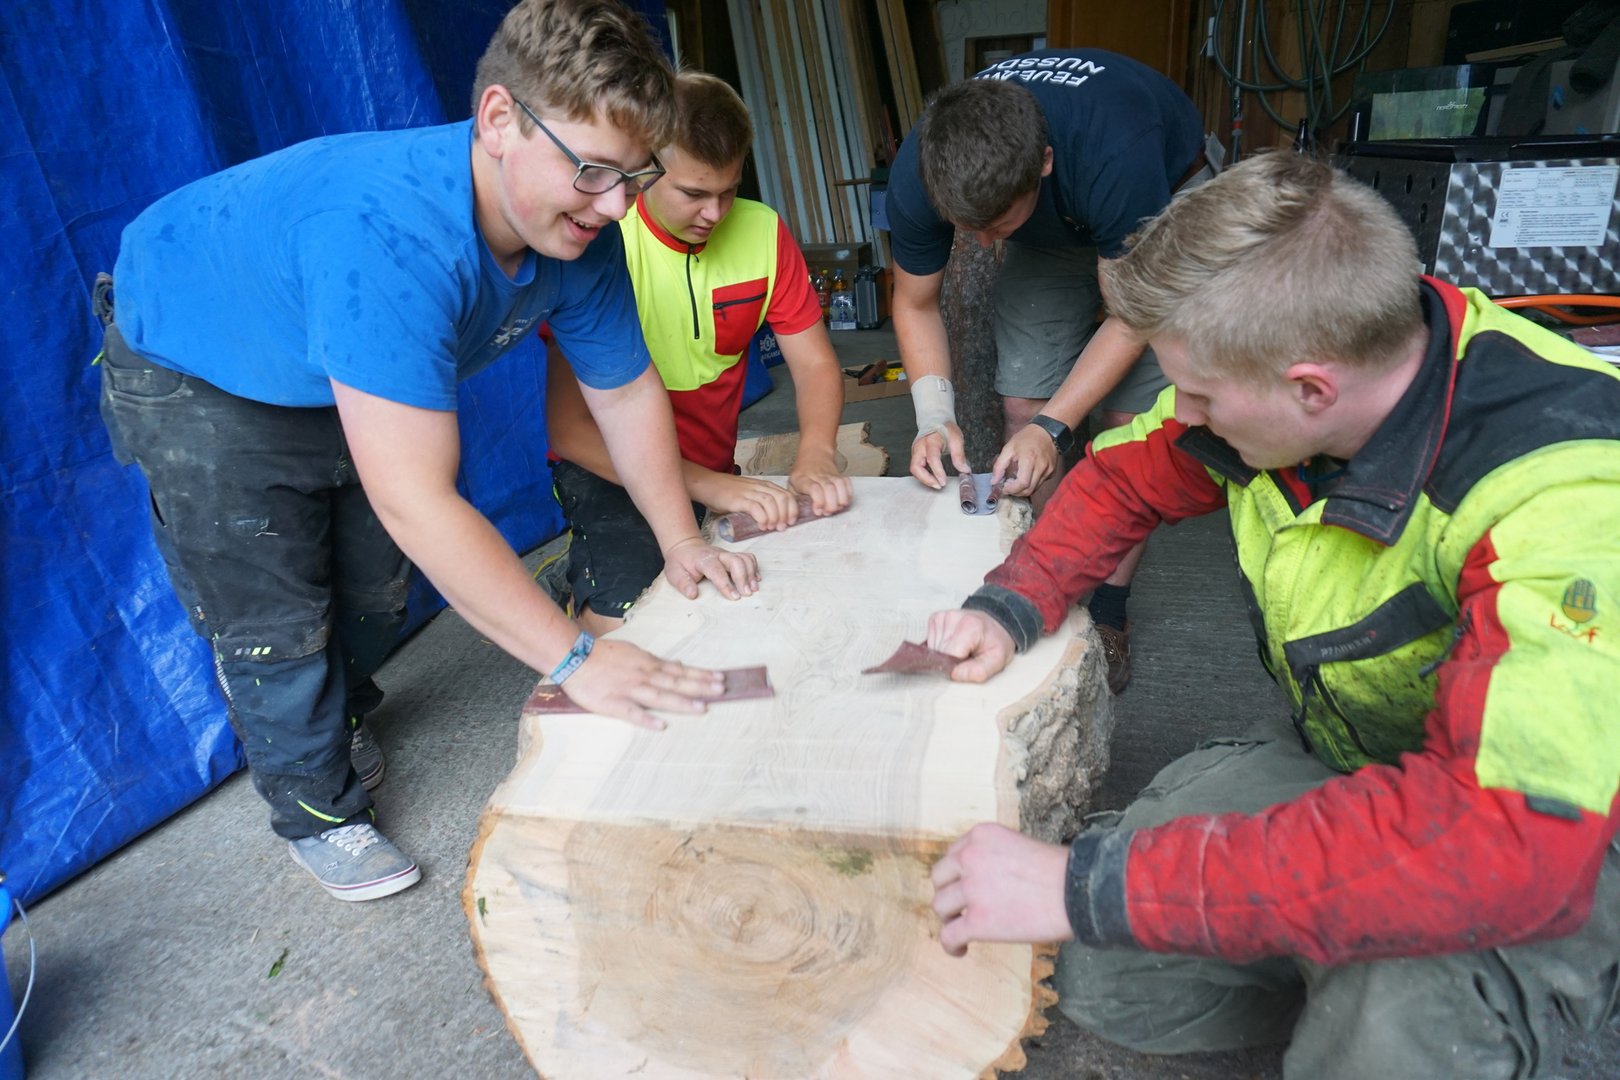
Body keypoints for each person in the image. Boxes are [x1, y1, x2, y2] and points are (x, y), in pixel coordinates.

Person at [925, 153, 1620, 1079]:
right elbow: (1123, 478)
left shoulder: (1565, 493)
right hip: (1362, 756)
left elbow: (1500, 836)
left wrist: (1091, 886)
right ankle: (1330, 924)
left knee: (1392, 1035)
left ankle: (1408, 984)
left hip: (1546, 834)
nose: (1184, 412)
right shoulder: (1302, 382)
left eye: (1202, 394)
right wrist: (1012, 602)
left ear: (1311, 388)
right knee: (1102, 973)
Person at [96, 0, 759, 903]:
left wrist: (681, 540)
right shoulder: (391, 238)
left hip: (321, 345)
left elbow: (625, 391)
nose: (614, 206)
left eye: (635, 177)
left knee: (375, 587)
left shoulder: (584, 227)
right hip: (199, 359)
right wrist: (577, 659)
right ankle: (316, 808)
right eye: (592, 171)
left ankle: (333, 713)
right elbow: (418, 498)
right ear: (499, 119)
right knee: (277, 619)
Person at [885, 48, 1216, 695]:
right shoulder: (922, 167)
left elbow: (1131, 317)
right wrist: (934, 417)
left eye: (994, 226)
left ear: (1043, 161)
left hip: (1162, 198)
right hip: (1049, 213)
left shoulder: (1117, 152)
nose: (983, 246)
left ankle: (1108, 612)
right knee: (1022, 407)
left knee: (1128, 425)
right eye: (966, 229)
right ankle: (1051, 583)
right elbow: (916, 301)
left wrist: (1056, 427)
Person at [547, 71, 853, 636]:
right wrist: (711, 487)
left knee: (773, 596)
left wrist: (815, 452)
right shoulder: (601, 243)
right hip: (610, 471)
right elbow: (568, 432)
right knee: (626, 626)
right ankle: (579, 583)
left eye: (728, 191)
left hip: (712, 466)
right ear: (645, 168)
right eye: (693, 193)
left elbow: (814, 364)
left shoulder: (764, 232)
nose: (715, 213)